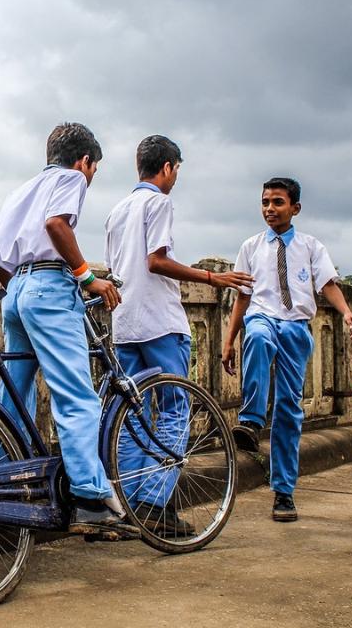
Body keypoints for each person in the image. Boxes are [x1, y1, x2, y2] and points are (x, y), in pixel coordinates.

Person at [0, 122, 138, 540]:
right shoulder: (71, 178)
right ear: (85, 160)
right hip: (51, 289)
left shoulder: (22, 189)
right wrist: (88, 278)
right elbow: (57, 224)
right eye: (94, 169)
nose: (90, 176)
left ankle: (2, 483)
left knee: (14, 396)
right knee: (76, 397)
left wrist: (18, 287)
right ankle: (90, 499)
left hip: (17, 290)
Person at [104, 135, 253, 532]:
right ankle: (155, 500)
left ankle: (127, 504)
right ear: (168, 167)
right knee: (173, 409)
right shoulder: (159, 202)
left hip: (124, 322)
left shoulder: (117, 210)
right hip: (159, 322)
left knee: (131, 416)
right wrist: (212, 277)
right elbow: (157, 260)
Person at [221, 177, 352, 522]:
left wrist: (346, 313)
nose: (270, 209)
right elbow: (242, 297)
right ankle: (252, 419)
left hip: (296, 328)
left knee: (288, 409)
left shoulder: (311, 247)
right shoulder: (251, 247)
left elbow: (327, 284)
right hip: (262, 318)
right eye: (265, 202)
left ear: (295, 208)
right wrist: (228, 340)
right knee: (257, 337)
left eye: (278, 202)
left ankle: (284, 491)